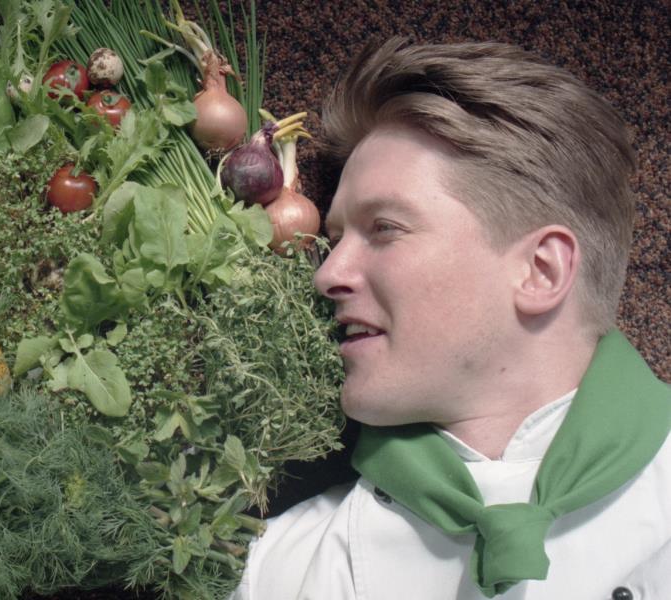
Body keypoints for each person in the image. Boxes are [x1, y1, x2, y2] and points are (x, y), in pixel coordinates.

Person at [231, 37, 670, 600]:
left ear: (540, 270)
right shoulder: (274, 574)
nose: (327, 274)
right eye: (335, 240)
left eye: (384, 228)